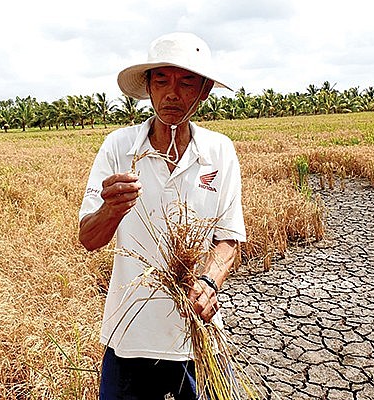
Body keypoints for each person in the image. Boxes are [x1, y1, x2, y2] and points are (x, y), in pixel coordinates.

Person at [78, 32, 246, 399]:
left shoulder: (219, 152)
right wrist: (111, 209)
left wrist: (209, 282)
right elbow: (89, 238)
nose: (172, 93)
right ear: (148, 88)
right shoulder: (120, 148)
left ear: (203, 91)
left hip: (197, 334)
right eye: (161, 80)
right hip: (129, 336)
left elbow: (228, 239)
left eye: (186, 82)